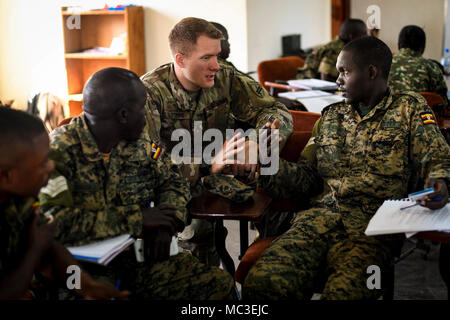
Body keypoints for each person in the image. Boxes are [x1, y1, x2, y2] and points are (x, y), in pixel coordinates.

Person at [243, 36, 450, 300]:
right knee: (262, 285)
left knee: (346, 293)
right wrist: (269, 161)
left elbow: (435, 154)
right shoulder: (331, 117)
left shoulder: (408, 108)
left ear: (371, 72)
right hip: (316, 223)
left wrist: (440, 182)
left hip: (372, 230)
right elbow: (306, 178)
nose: (337, 80)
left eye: (344, 72)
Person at [38, 68, 235, 300]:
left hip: (137, 257)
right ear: (123, 115)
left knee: (218, 285)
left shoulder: (138, 141)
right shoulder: (58, 153)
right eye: (142, 107)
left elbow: (172, 180)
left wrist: (167, 223)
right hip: (78, 273)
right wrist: (137, 219)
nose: (145, 114)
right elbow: (55, 223)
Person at [141, 17, 293, 266]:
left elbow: (276, 110)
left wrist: (256, 140)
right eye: (206, 58)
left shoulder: (225, 77)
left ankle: (265, 272)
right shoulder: (151, 92)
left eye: (217, 55)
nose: (216, 65)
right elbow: (148, 163)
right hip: (178, 182)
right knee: (199, 239)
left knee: (281, 197)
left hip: (227, 171)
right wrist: (207, 165)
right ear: (180, 59)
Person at [0, 106, 130, 300]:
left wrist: (85, 286)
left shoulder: (21, 201)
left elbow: (53, 254)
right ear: (7, 177)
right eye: (43, 163)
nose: (51, 166)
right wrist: (35, 248)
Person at [388, 25, 448, 105]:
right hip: (421, 116)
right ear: (423, 48)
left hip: (387, 116)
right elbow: (443, 103)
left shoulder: (385, 63)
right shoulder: (432, 67)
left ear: (398, 45)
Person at [297, 18, 367, 81]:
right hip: (306, 84)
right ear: (352, 37)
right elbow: (325, 78)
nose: (366, 37)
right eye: (364, 34)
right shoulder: (335, 50)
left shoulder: (342, 45)